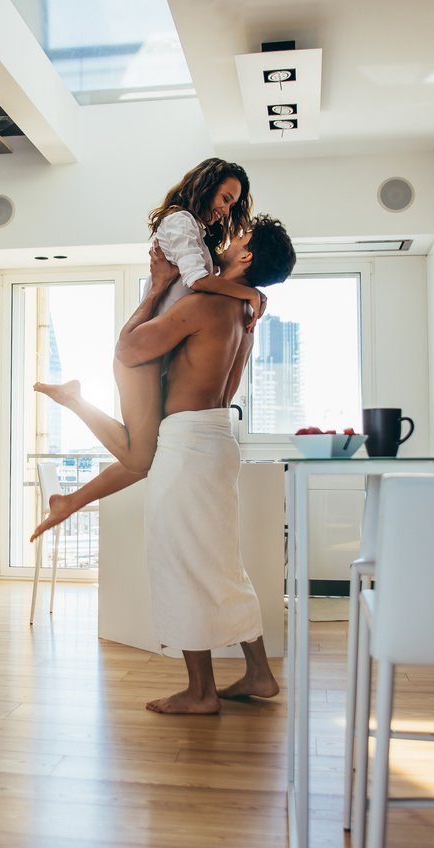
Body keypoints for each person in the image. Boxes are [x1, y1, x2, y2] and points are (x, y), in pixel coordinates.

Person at [115, 213, 296, 713]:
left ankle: (200, 691)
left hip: (187, 443)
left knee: (180, 559)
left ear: (246, 256)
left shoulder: (203, 305)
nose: (228, 240)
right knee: (220, 562)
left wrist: (154, 290)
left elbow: (129, 350)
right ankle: (257, 674)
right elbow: (229, 386)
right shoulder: (244, 317)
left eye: (238, 238)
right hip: (219, 438)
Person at [32, 158, 265, 479]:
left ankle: (74, 399)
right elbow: (197, 280)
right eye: (225, 198)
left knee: (145, 455)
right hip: (144, 349)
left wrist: (251, 294)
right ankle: (74, 400)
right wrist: (250, 294)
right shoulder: (179, 222)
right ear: (206, 186)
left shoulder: (197, 233)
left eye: (232, 204)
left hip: (161, 347)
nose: (226, 210)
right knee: (141, 458)